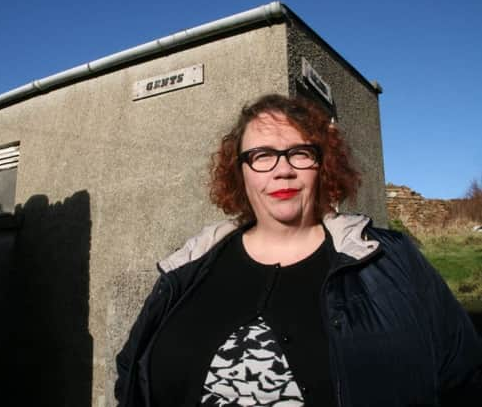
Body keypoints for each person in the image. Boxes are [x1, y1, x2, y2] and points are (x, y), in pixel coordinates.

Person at [115, 94, 482, 406]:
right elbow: (131, 377)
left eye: (299, 153)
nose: (282, 170)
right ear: (239, 172)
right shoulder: (187, 267)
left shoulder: (391, 261)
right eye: (262, 155)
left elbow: (465, 377)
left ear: (322, 166)